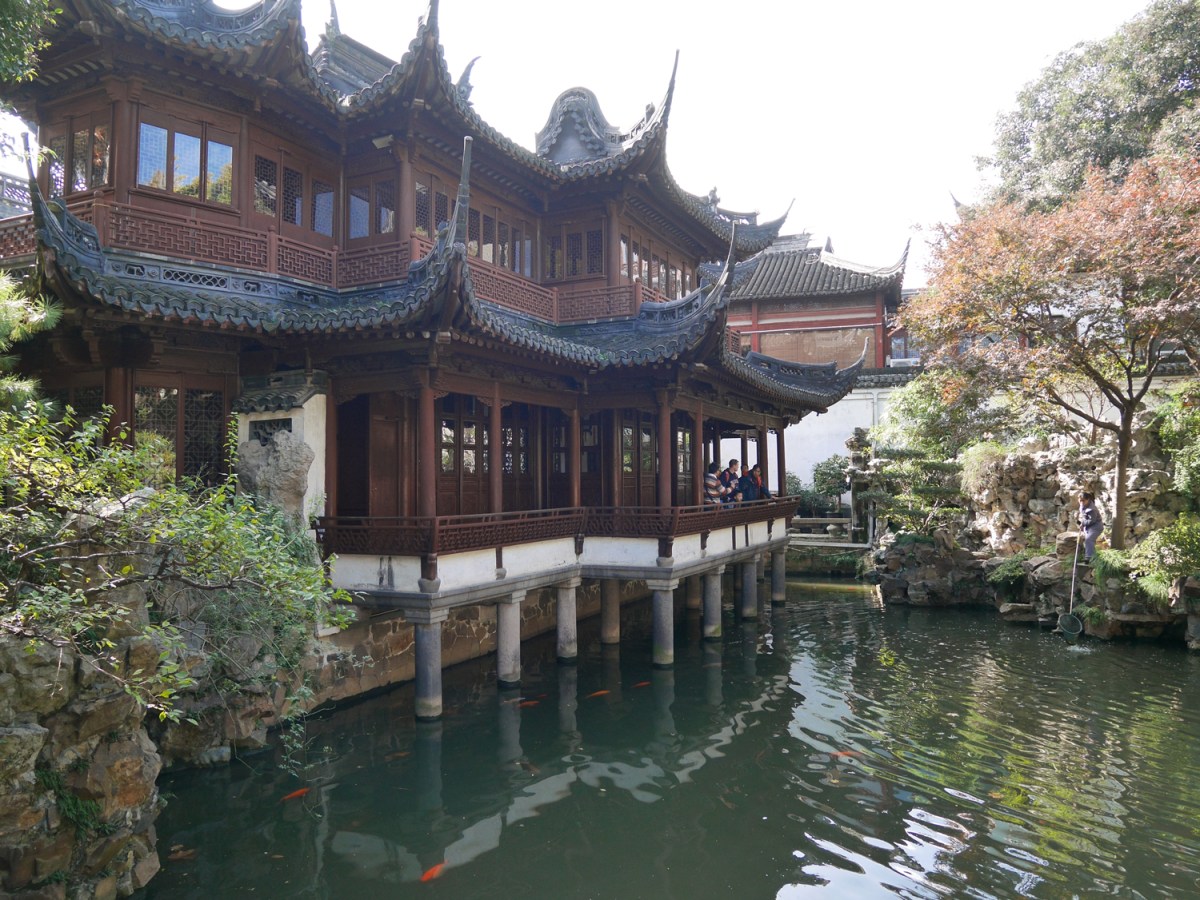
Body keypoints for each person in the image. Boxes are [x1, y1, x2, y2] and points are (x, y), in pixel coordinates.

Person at [1078, 491, 1104, 562]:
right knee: (1088, 541)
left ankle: (1089, 558)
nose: (1081, 502)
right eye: (1080, 500)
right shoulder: (1083, 505)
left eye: (1083, 500)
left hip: (1096, 527)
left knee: (1089, 539)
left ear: (1088, 499)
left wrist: (1083, 523)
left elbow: (1091, 521)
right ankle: (1094, 558)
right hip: (1088, 527)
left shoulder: (1092, 509)